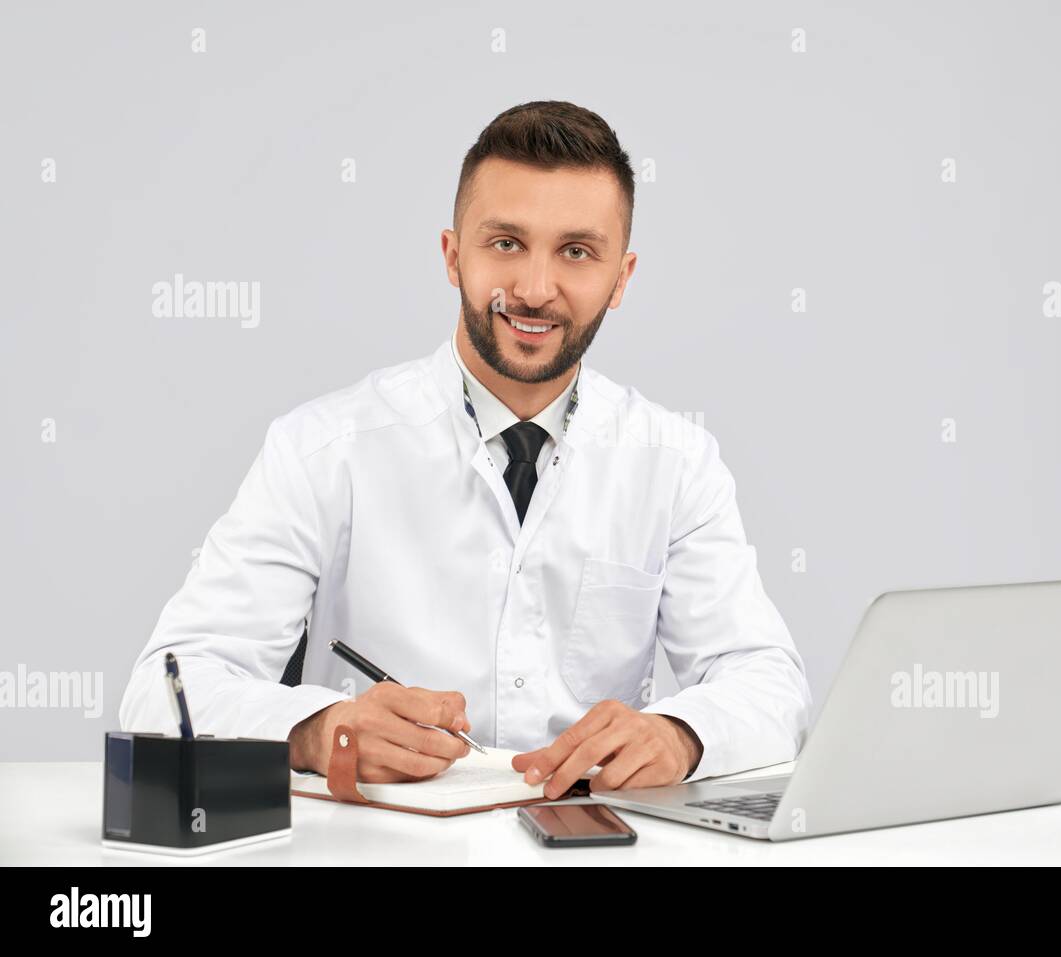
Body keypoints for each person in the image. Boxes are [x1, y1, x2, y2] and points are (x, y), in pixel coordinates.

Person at [119, 100, 812, 800]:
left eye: (576, 251)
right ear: (454, 256)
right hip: (379, 850)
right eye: (506, 243)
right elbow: (163, 688)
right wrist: (319, 728)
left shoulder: (676, 462)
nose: (536, 289)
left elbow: (771, 683)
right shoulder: (321, 450)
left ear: (621, 278)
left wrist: (680, 734)